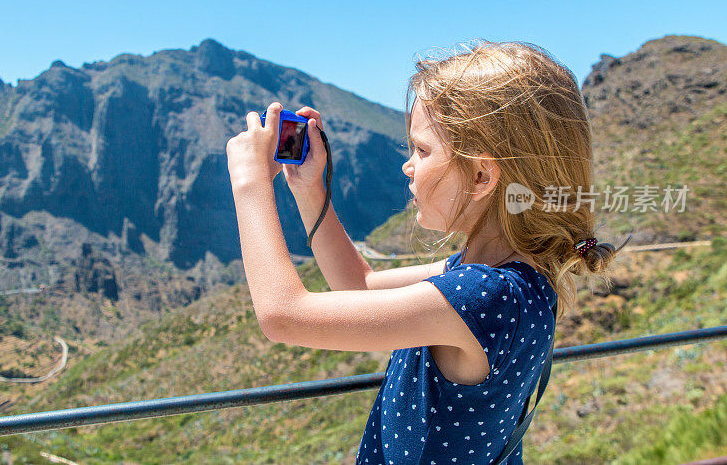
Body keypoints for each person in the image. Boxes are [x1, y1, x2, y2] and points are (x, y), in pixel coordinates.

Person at [225, 39, 625, 464]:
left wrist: (250, 184)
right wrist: (310, 190)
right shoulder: (505, 275)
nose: (408, 165)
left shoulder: (485, 296)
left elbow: (282, 315)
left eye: (422, 149)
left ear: (481, 174)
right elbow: (358, 285)